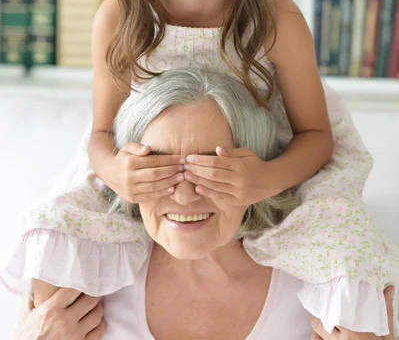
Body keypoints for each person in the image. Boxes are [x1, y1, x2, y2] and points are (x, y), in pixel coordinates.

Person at [1, 0, 398, 335]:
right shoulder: (120, 16)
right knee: (55, 230)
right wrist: (118, 172)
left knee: (346, 245)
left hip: (267, 165)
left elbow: (317, 138)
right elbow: (100, 135)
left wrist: (263, 178)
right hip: (156, 174)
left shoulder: (273, 19)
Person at [16, 69, 398, 339]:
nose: (184, 194)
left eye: (212, 169)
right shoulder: (82, 279)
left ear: (255, 173)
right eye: (157, 167)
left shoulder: (328, 296)